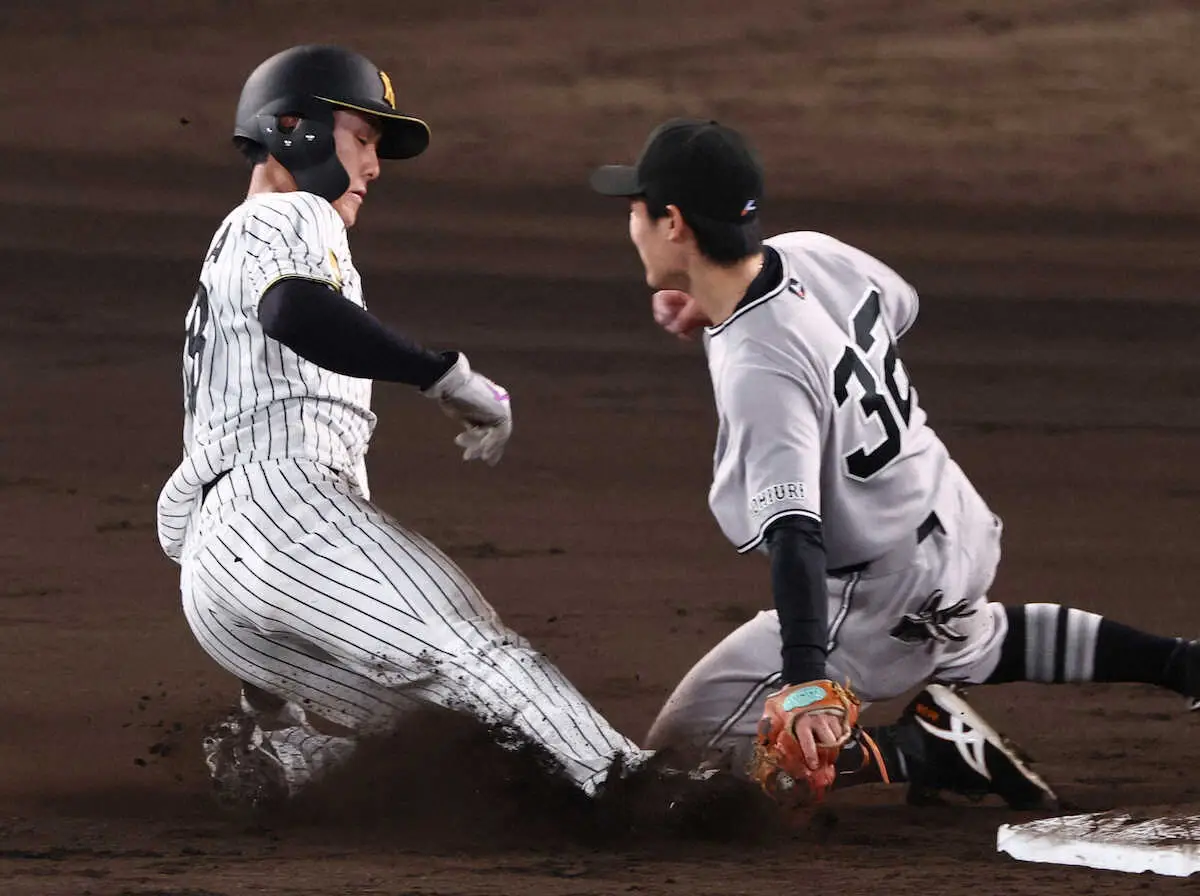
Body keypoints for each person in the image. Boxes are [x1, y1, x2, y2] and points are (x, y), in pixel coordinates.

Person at [589, 118, 1200, 806]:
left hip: (879, 586)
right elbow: (892, 310)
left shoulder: (757, 364)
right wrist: (712, 310)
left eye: (635, 209)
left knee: (684, 763)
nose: (631, 223)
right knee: (972, 635)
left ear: (673, 223)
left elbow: (796, 536)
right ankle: (1182, 663)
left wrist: (805, 683)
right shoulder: (809, 252)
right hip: (947, 515)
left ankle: (920, 750)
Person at [154, 44, 650, 810]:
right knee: (472, 646)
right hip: (279, 513)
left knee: (469, 739)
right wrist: (442, 374)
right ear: (296, 129)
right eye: (363, 138)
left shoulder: (230, 252)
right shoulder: (290, 213)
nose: (375, 167)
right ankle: (641, 786)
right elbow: (295, 311)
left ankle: (285, 753)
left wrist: (269, 692)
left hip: (222, 586)